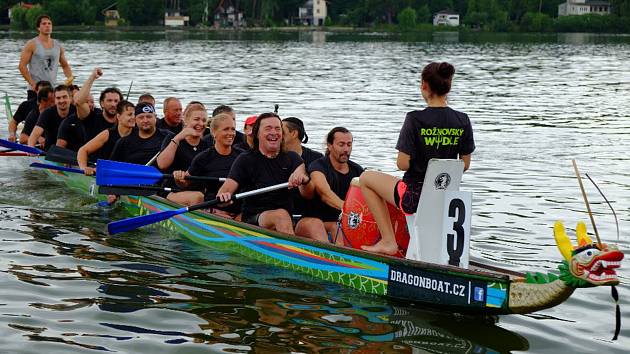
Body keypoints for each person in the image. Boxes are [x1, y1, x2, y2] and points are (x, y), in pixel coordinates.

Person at [359, 62, 475, 255]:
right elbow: (465, 164)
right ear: (449, 86)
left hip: (414, 197)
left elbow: (402, 164)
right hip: (446, 197)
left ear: (424, 85)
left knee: (366, 178)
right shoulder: (462, 120)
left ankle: (389, 241)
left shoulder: (414, 119)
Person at [216, 113, 310, 234]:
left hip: (285, 219)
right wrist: (224, 198)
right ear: (257, 134)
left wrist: (301, 177)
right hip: (253, 219)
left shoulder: (292, 158)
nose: (274, 132)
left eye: (278, 129)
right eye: (268, 128)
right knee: (280, 215)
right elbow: (224, 191)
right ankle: (292, 251)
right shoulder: (245, 159)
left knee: (287, 217)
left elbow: (302, 175)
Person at [299, 127, 364, 244]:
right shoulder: (318, 167)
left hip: (339, 223)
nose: (346, 149)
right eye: (341, 144)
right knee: (326, 226)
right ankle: (330, 257)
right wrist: (350, 212)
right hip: (310, 222)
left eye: (349, 145)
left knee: (337, 227)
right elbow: (325, 194)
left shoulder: (357, 170)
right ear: (329, 146)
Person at [173, 113, 242, 216]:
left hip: (240, 210)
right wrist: (179, 179)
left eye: (233, 129)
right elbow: (185, 183)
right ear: (214, 132)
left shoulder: (242, 156)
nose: (231, 133)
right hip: (213, 210)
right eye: (226, 129)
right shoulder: (203, 158)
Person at [156, 105, 211, 204]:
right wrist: (179, 137)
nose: (201, 123)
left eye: (204, 120)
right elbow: (162, 164)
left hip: (200, 193)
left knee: (200, 196)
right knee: (197, 197)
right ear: (185, 120)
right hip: (172, 190)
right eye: (196, 119)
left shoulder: (207, 146)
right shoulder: (172, 138)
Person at [281, 117, 324, 240]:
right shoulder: (275, 157)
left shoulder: (317, 158)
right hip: (282, 213)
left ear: (294, 133)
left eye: (281, 131)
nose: (276, 134)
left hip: (309, 215)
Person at [18, 15, 73, 95]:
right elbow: (22, 66)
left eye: (49, 23)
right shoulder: (32, 44)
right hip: (36, 90)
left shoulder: (58, 45)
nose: (47, 25)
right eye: (44, 24)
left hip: (52, 90)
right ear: (38, 28)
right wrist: (33, 84)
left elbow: (65, 66)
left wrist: (70, 81)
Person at [77, 100, 136, 175]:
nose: (134, 117)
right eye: (130, 114)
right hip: (104, 173)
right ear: (118, 116)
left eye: (134, 114)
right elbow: (83, 150)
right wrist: (84, 168)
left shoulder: (138, 133)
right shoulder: (107, 134)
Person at [27, 84, 75, 150]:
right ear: (55, 100)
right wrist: (30, 148)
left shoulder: (77, 112)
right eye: (58, 98)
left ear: (70, 98)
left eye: (64, 97)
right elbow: (34, 135)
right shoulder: (47, 113)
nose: (61, 101)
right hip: (50, 153)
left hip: (74, 154)